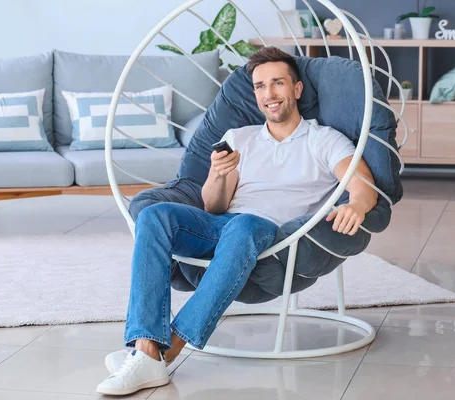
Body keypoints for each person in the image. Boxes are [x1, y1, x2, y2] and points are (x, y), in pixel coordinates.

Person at [96, 46, 378, 396]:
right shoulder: (239, 138)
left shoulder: (323, 140)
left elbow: (362, 183)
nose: (269, 94)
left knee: (246, 225)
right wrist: (216, 175)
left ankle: (168, 348)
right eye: (260, 86)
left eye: (277, 84)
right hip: (223, 224)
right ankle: (146, 350)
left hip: (268, 232)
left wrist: (359, 206)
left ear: (297, 90)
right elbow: (214, 207)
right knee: (154, 215)